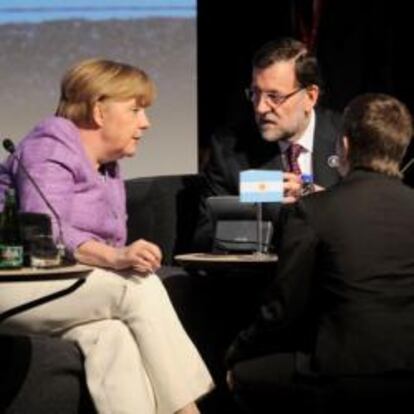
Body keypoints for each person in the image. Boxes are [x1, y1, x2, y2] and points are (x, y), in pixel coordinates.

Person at [0, 58, 213, 414]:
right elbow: (45, 233)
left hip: (60, 287)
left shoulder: (107, 167)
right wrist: (115, 258)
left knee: (111, 337)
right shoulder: (49, 147)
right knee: (137, 288)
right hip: (13, 284)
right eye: (135, 110)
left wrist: (117, 256)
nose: (145, 123)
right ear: (99, 110)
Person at [225, 93, 414, 411]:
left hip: (339, 373)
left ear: (345, 146)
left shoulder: (314, 211)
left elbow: (282, 309)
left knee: (241, 375)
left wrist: (237, 350)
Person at [194, 37, 343, 251]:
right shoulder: (229, 149)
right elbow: (207, 236)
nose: (261, 108)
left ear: (310, 96)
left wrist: (325, 203)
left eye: (274, 96)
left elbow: (375, 219)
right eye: (255, 94)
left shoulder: (348, 139)